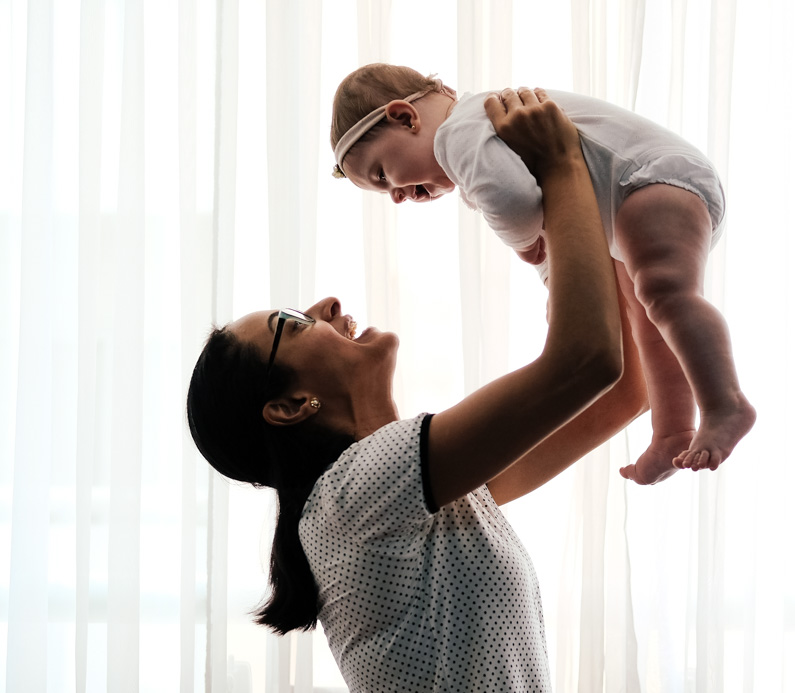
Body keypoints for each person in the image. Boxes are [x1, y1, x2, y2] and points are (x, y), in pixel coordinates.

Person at [187, 88, 647, 691]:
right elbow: (587, 361)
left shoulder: (430, 496)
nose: (325, 305)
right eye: (293, 325)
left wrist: (597, 227)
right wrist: (561, 166)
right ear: (290, 406)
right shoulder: (353, 495)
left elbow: (622, 391)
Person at [329, 63, 756, 485]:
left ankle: (725, 402)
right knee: (650, 325)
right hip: (624, 208)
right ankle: (672, 431)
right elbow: (553, 219)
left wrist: (522, 241)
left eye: (383, 176)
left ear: (405, 117)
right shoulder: (471, 144)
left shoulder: (458, 133)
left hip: (650, 180)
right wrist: (556, 284)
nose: (398, 197)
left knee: (666, 295)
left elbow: (516, 203)